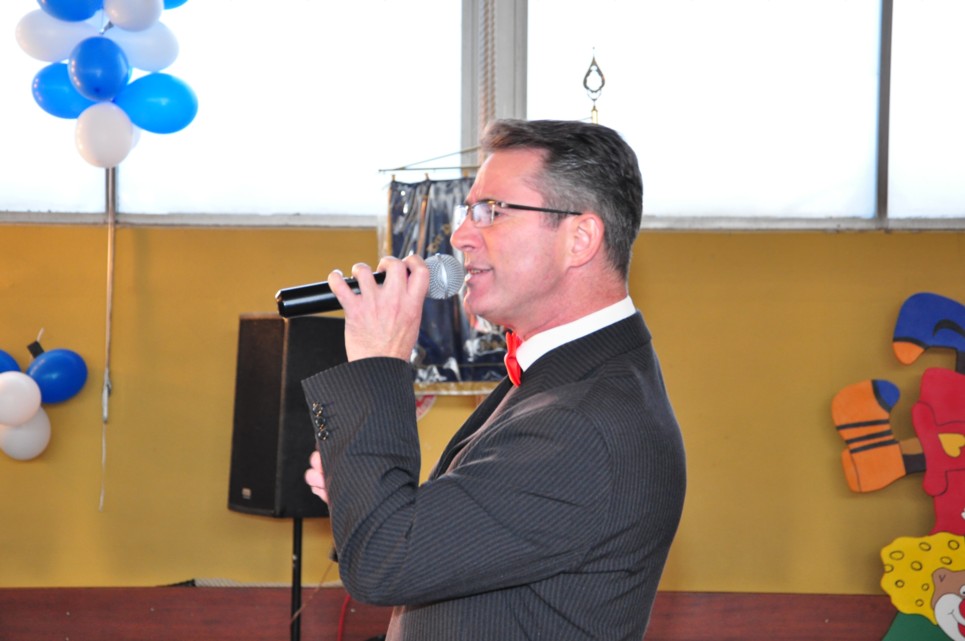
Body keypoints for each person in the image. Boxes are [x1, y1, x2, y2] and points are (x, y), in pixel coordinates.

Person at [302, 119, 686, 640]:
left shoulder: (583, 422)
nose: (460, 236)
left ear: (580, 238)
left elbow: (386, 562)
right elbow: (438, 550)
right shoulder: (561, 376)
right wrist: (365, 495)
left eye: (492, 211)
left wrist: (378, 360)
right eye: (468, 211)